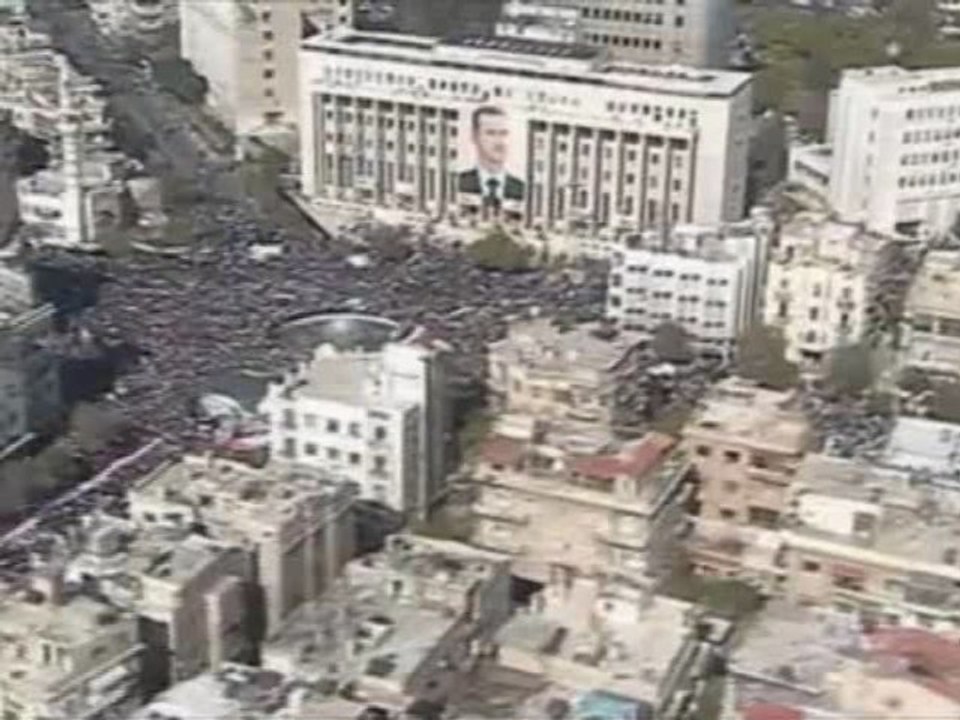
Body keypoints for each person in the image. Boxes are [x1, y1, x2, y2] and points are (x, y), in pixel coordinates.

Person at [458, 106, 525, 209]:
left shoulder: (523, 190)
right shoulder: (458, 184)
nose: (499, 142)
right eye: (491, 133)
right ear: (474, 136)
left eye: (504, 133)